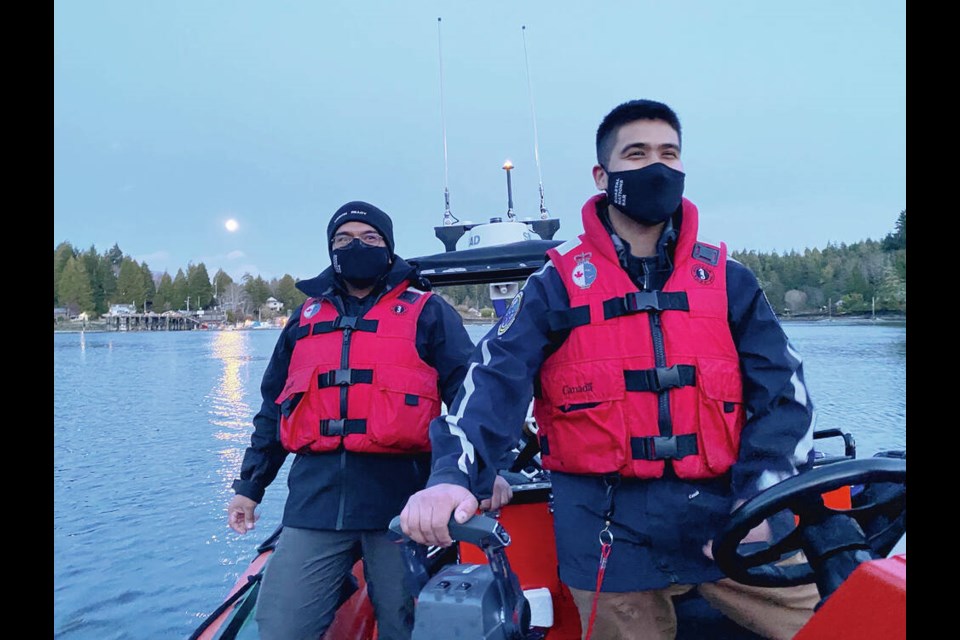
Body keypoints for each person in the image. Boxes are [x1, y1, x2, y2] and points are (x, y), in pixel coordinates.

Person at [399, 99, 822, 640]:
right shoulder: (552, 284)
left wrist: (762, 491)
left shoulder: (729, 280)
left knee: (834, 619)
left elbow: (785, 393)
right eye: (637, 153)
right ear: (603, 176)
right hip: (606, 526)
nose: (657, 167)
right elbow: (492, 383)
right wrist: (452, 478)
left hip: (731, 513)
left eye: (669, 154)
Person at [226, 200, 477, 640]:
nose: (355, 246)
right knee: (282, 626)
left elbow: (469, 400)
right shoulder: (303, 321)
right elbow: (274, 408)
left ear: (388, 246)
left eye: (369, 238)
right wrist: (249, 488)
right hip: (315, 503)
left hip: (403, 501)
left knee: (406, 623)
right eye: (343, 239)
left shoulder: (429, 312)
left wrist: (475, 474)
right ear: (330, 250)